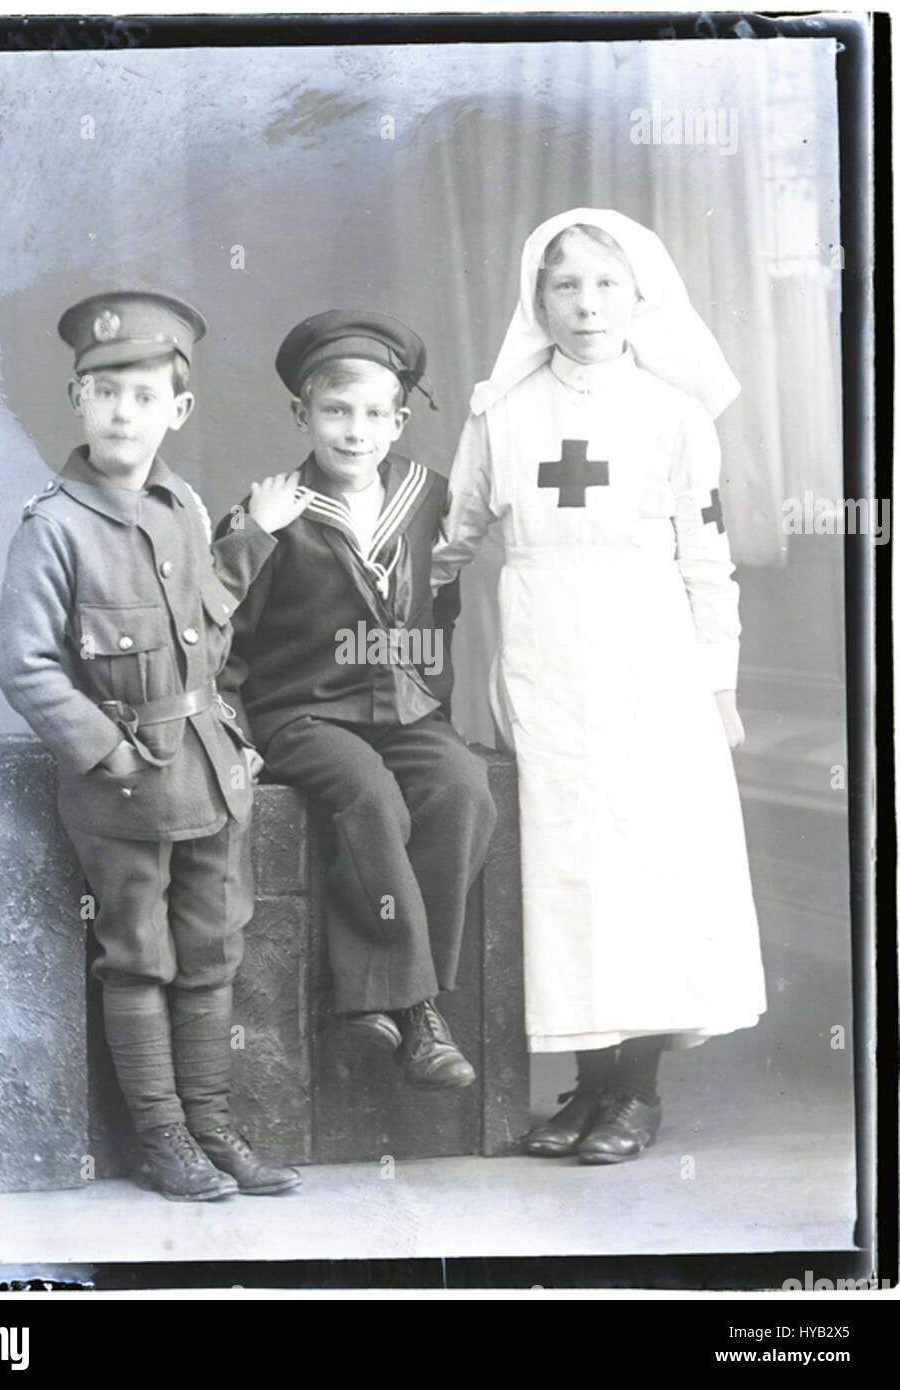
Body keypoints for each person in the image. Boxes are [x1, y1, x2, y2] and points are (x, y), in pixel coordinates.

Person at [432, 210, 767, 1163]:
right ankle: (589, 1087)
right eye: (566, 285)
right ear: (537, 301)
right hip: (542, 660)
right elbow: (450, 545)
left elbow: (707, 562)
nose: (587, 305)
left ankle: (637, 1095)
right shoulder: (500, 414)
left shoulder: (675, 415)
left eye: (606, 284)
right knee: (566, 867)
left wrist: (719, 687)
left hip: (653, 661)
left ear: (639, 297)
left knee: (645, 866)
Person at [0, 291, 308, 1201]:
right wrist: (110, 752)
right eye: (104, 392)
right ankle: (162, 1141)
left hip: (210, 774)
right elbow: (25, 664)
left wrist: (233, 738)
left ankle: (212, 1128)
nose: (122, 413)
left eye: (143, 396)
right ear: (77, 399)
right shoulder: (54, 527)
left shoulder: (182, 506)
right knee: (138, 957)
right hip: (124, 789)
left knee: (212, 952)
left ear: (178, 408)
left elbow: (208, 626)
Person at [217, 310, 498, 1091]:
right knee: (369, 794)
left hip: (405, 708)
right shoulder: (271, 511)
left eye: (375, 414)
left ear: (399, 421)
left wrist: (432, 693)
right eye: (336, 411)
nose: (355, 431)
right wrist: (236, 733)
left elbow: (444, 603)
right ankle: (415, 1010)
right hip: (302, 712)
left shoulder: (430, 497)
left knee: (463, 789)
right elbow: (222, 632)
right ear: (301, 416)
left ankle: (390, 996)